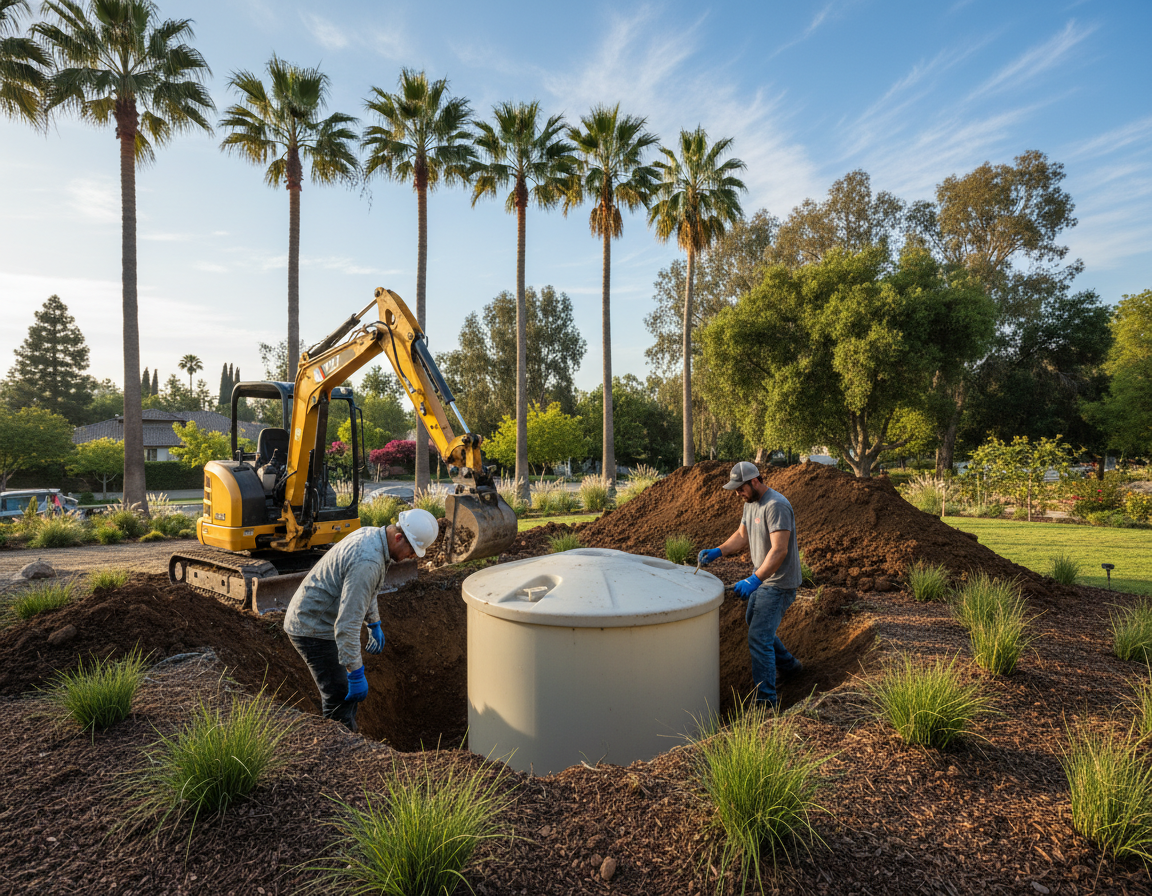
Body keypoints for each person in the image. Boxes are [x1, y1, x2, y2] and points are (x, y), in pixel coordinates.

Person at [283, 508, 439, 732]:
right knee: (339, 696)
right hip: (312, 626)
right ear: (398, 537)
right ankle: (341, 752)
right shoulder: (368, 561)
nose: (412, 557)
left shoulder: (373, 536)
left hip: (319, 617)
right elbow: (347, 626)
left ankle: (346, 741)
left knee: (343, 695)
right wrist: (355, 673)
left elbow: (368, 589)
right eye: (412, 550)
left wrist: (373, 622)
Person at [697, 461, 803, 709]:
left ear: (755, 481)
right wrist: (717, 551)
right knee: (754, 625)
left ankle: (766, 703)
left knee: (759, 637)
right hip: (765, 579)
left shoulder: (776, 506)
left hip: (779, 583)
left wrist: (754, 580)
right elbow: (742, 536)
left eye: (740, 488)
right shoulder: (750, 504)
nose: (737, 493)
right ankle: (790, 666)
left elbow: (779, 551)